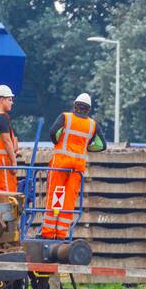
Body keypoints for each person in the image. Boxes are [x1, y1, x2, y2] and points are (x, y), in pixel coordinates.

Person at [40, 92, 107, 240]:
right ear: (88, 109)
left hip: (61, 164)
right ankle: (61, 234)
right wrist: (87, 147)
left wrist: (58, 142)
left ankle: (48, 233)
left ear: (75, 105)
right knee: (69, 200)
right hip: (77, 168)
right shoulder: (92, 125)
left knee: (56, 196)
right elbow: (102, 145)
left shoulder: (65, 117)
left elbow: (53, 132)